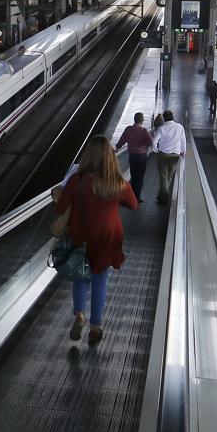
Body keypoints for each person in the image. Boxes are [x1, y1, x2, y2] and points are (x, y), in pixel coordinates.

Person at [55, 135, 138, 345]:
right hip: (108, 238)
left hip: (81, 236)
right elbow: (133, 204)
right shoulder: (117, 182)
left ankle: (79, 315)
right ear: (110, 158)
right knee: (100, 279)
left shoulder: (78, 180)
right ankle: (95, 327)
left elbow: (60, 208)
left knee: (81, 276)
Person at [115, 113, 154, 203]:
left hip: (132, 156)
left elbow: (122, 140)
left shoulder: (128, 129)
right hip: (142, 156)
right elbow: (151, 142)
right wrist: (145, 146)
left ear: (134, 119)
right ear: (142, 120)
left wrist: (117, 147)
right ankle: (137, 197)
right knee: (139, 177)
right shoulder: (144, 130)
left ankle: (131, 196)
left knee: (133, 176)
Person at [152, 110, 186, 205]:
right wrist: (183, 151)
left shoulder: (161, 128)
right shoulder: (180, 127)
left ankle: (164, 197)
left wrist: (156, 150)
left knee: (163, 176)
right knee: (169, 176)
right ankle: (162, 196)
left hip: (163, 154)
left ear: (164, 118)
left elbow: (154, 141)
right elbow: (183, 140)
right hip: (175, 155)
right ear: (172, 116)